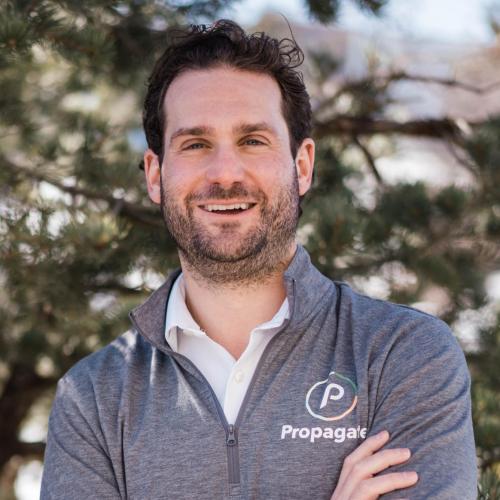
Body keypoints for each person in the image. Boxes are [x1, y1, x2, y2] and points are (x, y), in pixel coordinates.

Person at [40, 20, 477, 499]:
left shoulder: (401, 354)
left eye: (253, 140)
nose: (226, 173)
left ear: (302, 166)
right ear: (155, 175)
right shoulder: (93, 399)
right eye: (195, 144)